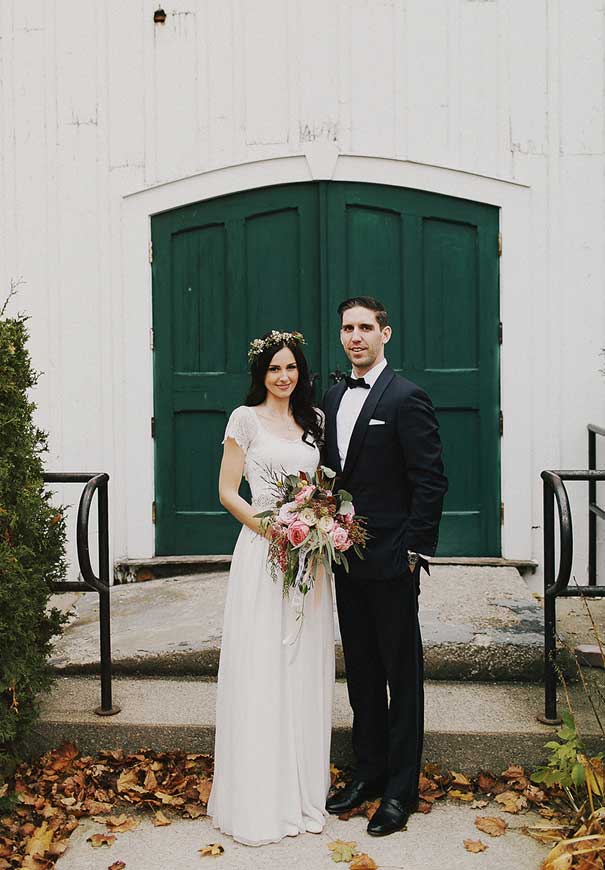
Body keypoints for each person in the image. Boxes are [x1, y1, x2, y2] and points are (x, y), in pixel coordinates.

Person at [323, 296, 448, 836]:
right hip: (345, 559)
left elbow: (430, 479)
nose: (356, 337)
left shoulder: (406, 397)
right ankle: (368, 773)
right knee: (363, 676)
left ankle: (400, 793)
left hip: (394, 560)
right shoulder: (331, 396)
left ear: (385, 334)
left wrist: (416, 551)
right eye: (348, 328)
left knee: (403, 676)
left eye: (365, 328)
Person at [208, 330, 334, 846]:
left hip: (310, 558)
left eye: (292, 368)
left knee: (303, 665)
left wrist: (321, 525)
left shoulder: (314, 423)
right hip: (265, 552)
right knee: (263, 664)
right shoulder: (245, 420)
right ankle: (261, 796)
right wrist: (274, 530)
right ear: (260, 373)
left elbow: (322, 485)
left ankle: (302, 789)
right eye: (274, 368)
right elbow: (226, 491)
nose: (284, 377)